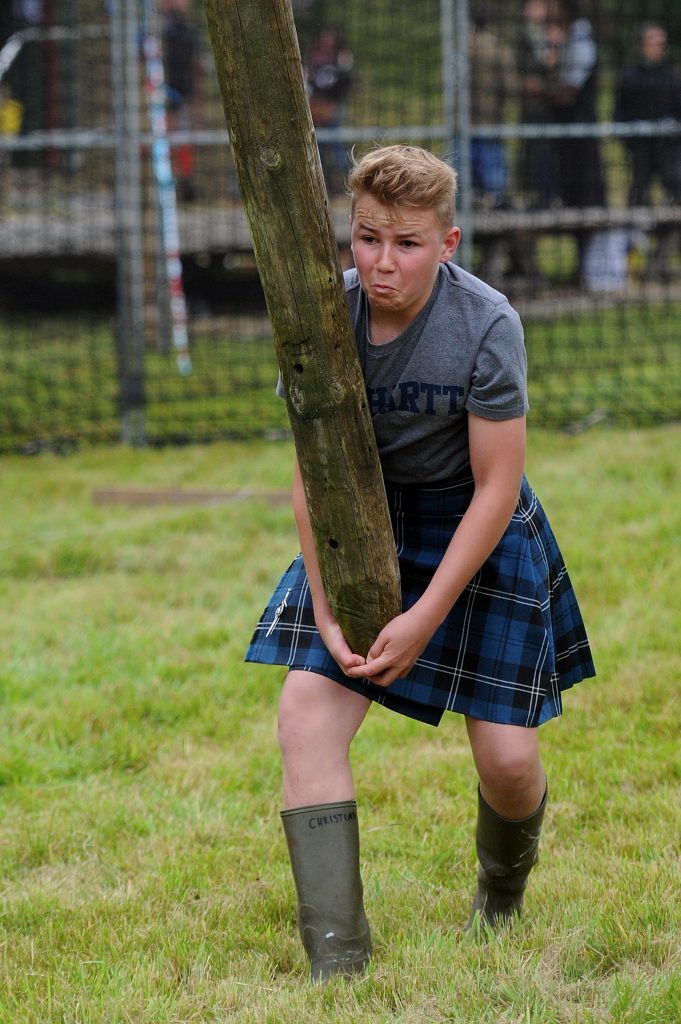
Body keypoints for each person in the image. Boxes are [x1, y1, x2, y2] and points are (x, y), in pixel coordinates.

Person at [246, 145, 596, 983]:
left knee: (508, 762)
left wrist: (423, 614)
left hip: (475, 523)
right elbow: (309, 472)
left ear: (447, 244)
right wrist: (326, 602)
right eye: (366, 238)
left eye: (405, 243)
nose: (380, 263)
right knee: (303, 713)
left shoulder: (486, 324)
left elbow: (496, 489)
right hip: (363, 517)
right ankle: (338, 962)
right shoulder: (321, 319)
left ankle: (501, 892)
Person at [615, 24, 681, 280]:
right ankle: (631, 260)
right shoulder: (630, 74)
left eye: (662, 43)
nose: (659, 48)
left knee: (673, 199)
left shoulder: (670, 74)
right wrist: (631, 138)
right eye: (654, 42)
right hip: (640, 151)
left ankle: (660, 262)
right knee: (637, 198)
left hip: (667, 151)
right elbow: (620, 111)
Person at [303, 26, 354, 193]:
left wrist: (331, 101)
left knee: (337, 147)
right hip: (315, 107)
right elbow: (308, 81)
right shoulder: (313, 57)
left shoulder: (342, 58)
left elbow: (346, 83)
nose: (328, 41)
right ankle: (323, 186)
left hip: (333, 107)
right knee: (317, 148)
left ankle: (348, 185)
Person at [160, 0, 200, 202]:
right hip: (165, 92)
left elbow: (194, 64)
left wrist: (193, 92)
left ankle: (184, 182)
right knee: (167, 138)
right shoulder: (160, 30)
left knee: (182, 138)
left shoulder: (187, 32)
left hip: (181, 94)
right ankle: (172, 180)